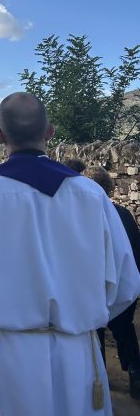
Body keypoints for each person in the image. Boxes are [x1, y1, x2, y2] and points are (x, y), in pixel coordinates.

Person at [0, 92, 140, 416]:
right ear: (50, 132)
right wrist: (82, 317)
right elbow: (125, 282)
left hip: (7, 354)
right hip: (77, 354)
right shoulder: (91, 196)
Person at [84, 165, 140, 399]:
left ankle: (100, 382)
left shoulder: (83, 216)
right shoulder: (124, 213)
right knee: (125, 331)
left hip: (96, 286)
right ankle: (136, 376)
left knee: (95, 333)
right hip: (125, 284)